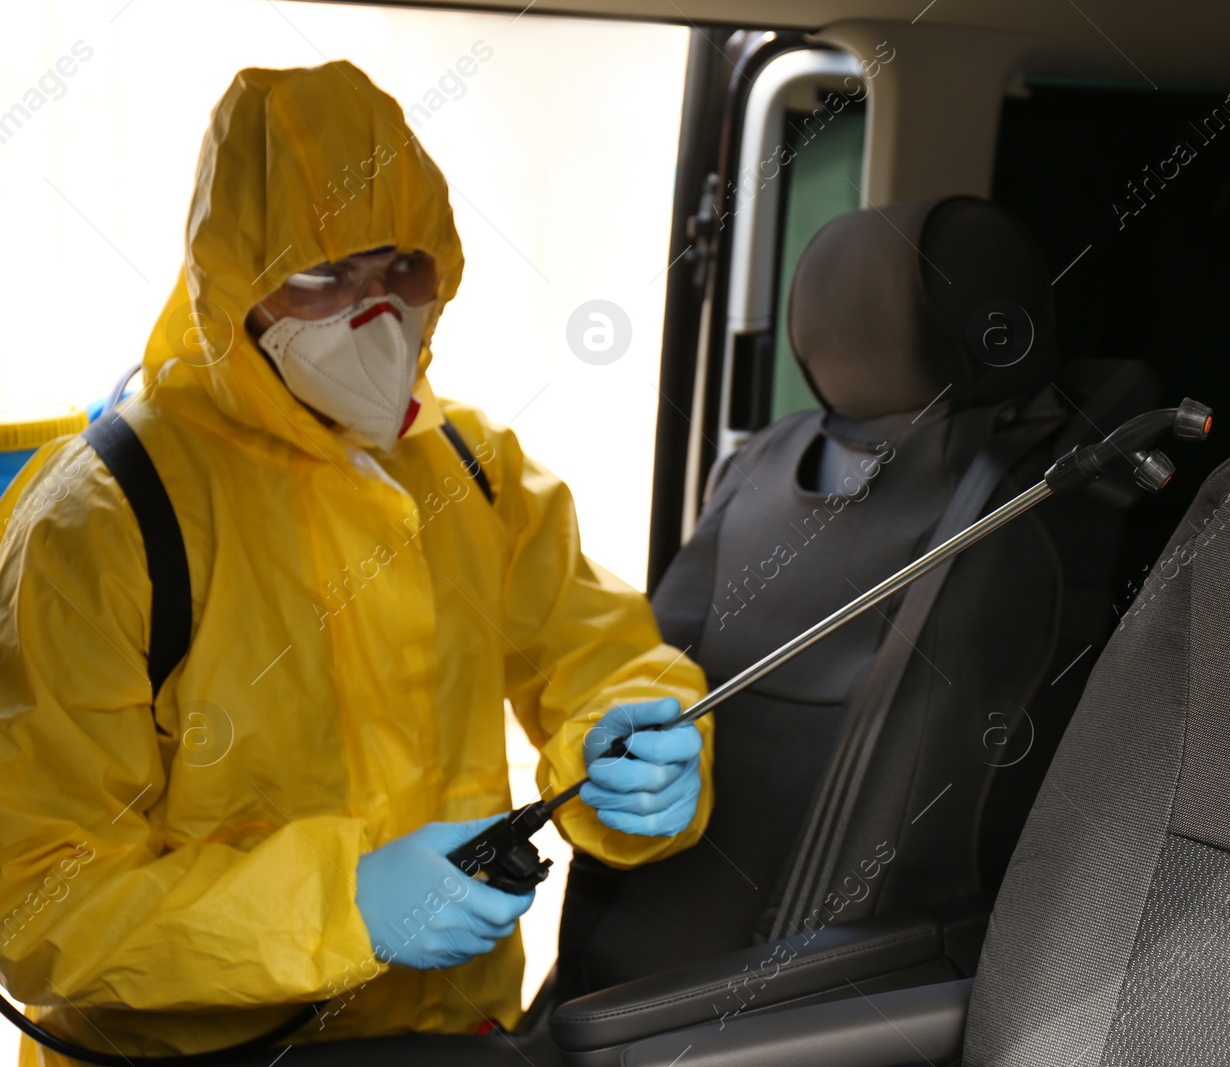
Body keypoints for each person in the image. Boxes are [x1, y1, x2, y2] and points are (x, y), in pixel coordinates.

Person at [0, 61, 710, 1061]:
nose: (374, 308)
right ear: (231, 275)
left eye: (401, 269)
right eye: (322, 274)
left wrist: (630, 730)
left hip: (452, 1036)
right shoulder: (102, 516)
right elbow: (40, 904)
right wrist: (344, 906)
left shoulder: (474, 469)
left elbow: (593, 651)